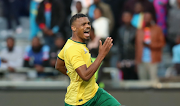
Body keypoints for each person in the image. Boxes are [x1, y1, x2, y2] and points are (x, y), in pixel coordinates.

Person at [55, 14, 121, 106]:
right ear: (73, 28)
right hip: (80, 101)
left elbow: (58, 65)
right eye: (83, 24)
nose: (87, 26)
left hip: (95, 92)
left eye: (88, 23)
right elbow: (85, 76)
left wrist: (74, 75)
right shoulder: (73, 49)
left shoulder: (72, 42)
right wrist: (101, 55)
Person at [135, 11, 165, 81]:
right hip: (141, 60)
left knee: (153, 80)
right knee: (142, 80)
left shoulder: (157, 29)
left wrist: (150, 45)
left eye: (148, 18)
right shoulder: (139, 31)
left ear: (152, 19)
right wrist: (136, 61)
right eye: (145, 18)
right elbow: (137, 46)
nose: (146, 20)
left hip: (153, 59)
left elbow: (162, 43)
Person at [117, 11, 138, 80]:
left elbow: (137, 46)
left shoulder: (136, 30)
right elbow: (119, 46)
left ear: (131, 18)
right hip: (123, 59)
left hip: (133, 59)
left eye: (128, 17)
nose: (127, 18)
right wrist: (119, 60)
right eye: (125, 17)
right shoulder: (120, 30)